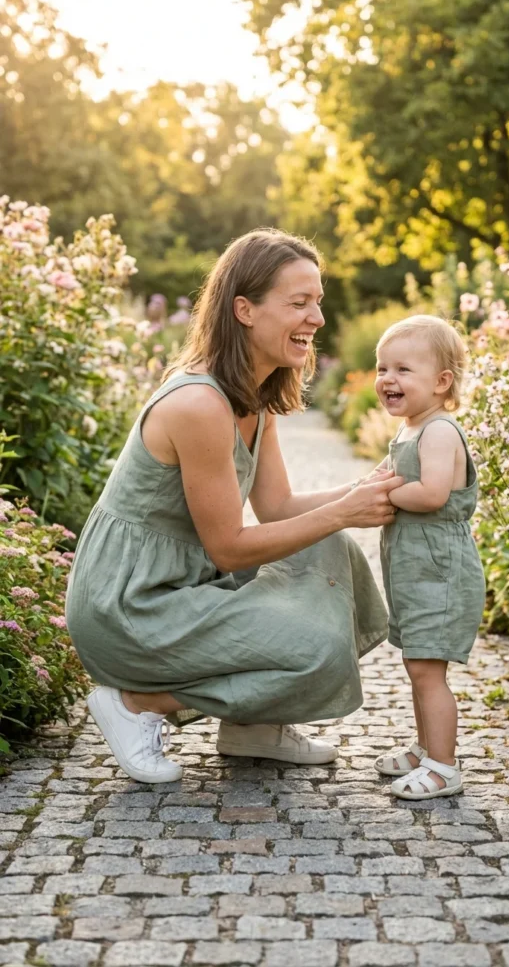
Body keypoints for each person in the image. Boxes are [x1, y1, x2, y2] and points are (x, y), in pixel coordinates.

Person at [65, 228, 402, 785]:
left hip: (180, 583)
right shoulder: (199, 404)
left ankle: (254, 726)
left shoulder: (254, 394)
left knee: (329, 552)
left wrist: (368, 489)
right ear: (244, 310)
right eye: (299, 303)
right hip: (129, 605)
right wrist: (345, 509)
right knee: (314, 646)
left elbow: (279, 506)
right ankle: (139, 703)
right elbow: (228, 545)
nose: (317, 317)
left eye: (318, 301)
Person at [373, 315, 486, 800]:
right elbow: (381, 475)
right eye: (382, 368)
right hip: (416, 573)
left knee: (427, 670)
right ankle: (425, 747)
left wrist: (388, 492)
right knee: (418, 665)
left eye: (403, 369)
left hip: (440, 573)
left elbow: (433, 493)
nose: (387, 380)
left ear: (441, 382)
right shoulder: (408, 431)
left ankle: (444, 765)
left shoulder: (439, 431)